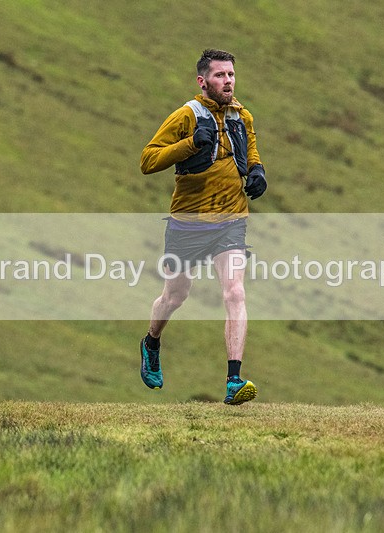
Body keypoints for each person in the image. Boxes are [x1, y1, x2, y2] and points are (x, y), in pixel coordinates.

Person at [139, 49, 267, 405]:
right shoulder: (187, 115)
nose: (227, 81)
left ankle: (233, 381)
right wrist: (190, 144)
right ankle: (151, 342)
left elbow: (252, 155)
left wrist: (257, 174)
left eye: (231, 75)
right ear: (203, 81)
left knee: (235, 293)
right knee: (175, 296)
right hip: (187, 223)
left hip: (231, 222)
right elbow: (148, 161)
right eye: (220, 75)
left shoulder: (243, 117)